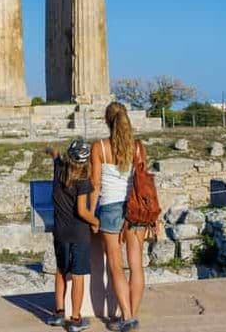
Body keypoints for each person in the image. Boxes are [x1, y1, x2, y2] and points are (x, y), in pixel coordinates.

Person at [89, 102, 148, 332]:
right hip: (135, 208)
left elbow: (95, 185)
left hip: (110, 207)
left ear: (107, 120)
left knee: (115, 265)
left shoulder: (100, 147)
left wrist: (90, 216)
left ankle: (126, 316)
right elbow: (142, 181)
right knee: (136, 265)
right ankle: (132, 314)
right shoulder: (139, 147)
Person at [44, 139, 100, 332]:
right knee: (77, 276)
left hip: (60, 231)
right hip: (78, 233)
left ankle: (59, 313)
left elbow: (54, 152)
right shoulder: (83, 181)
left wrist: (49, 149)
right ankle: (75, 319)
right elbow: (82, 211)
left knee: (60, 270)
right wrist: (95, 221)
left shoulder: (59, 169)